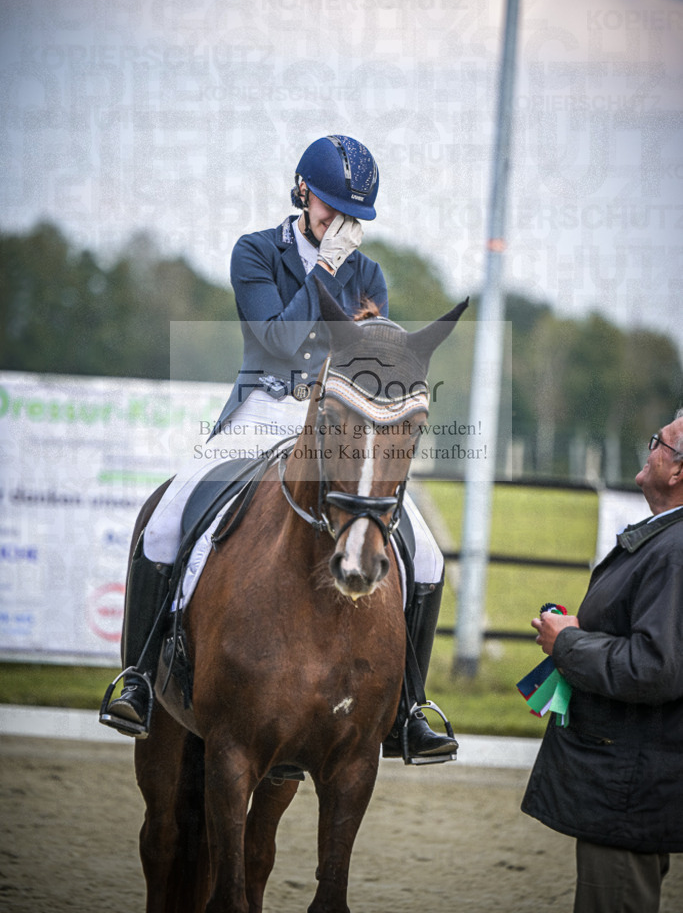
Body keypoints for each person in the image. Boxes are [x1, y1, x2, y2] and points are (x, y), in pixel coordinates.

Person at [103, 134, 459, 762]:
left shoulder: (368, 272)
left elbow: (368, 364)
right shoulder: (255, 252)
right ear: (302, 192)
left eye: (352, 217)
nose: (340, 224)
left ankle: (411, 709)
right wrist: (323, 269)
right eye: (329, 209)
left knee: (425, 554)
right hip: (264, 408)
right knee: (163, 521)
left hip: (336, 422)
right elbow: (279, 345)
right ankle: (137, 680)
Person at [522, 408, 683, 913]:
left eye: (659, 441)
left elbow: (654, 665)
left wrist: (567, 644)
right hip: (627, 779)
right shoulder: (667, 539)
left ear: (678, 471)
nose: (650, 446)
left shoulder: (676, 550)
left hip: (628, 790)